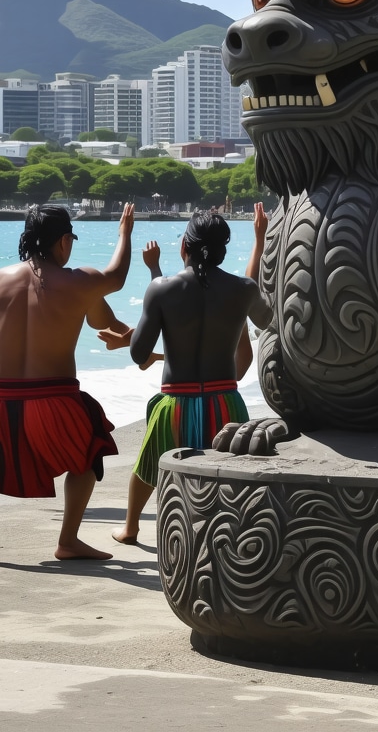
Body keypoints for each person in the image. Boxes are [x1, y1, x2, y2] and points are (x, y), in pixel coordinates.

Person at [0, 203, 134, 564]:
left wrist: (111, 321)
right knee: (89, 452)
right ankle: (68, 541)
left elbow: (97, 314)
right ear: (64, 240)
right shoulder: (78, 281)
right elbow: (115, 277)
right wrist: (124, 234)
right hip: (53, 397)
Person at [108, 204, 273, 545]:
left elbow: (139, 352)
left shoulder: (161, 288)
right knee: (231, 472)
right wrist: (259, 247)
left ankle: (130, 527)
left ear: (184, 245)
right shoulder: (243, 289)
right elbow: (265, 318)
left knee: (148, 464)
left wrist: (155, 274)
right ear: (222, 250)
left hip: (176, 404)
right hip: (226, 403)